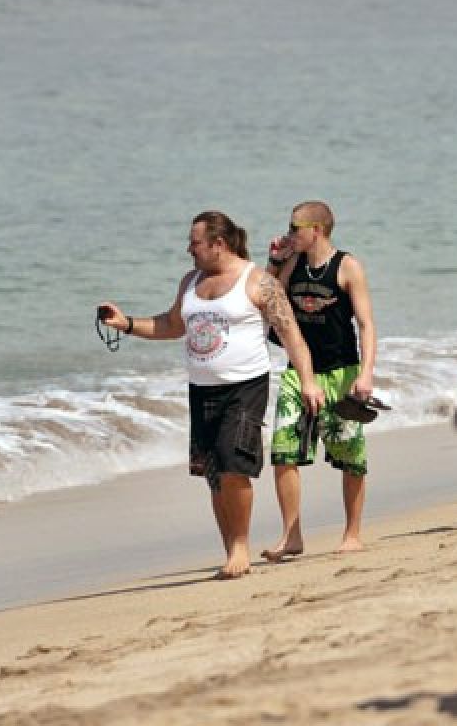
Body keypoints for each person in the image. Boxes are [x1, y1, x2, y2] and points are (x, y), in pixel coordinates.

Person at [98, 211, 324, 580]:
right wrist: (126, 324)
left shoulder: (259, 283)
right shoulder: (191, 281)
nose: (189, 250)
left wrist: (309, 383)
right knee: (215, 475)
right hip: (202, 391)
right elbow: (172, 325)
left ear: (219, 244)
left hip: (245, 386)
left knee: (233, 464)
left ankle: (240, 546)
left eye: (195, 243)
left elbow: (292, 337)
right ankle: (230, 548)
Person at [260, 201, 378, 560]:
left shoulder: (347, 267)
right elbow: (265, 298)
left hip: (341, 373)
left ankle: (352, 533)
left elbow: (366, 324)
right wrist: (276, 261)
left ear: (318, 229)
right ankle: (292, 535)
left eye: (296, 227)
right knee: (282, 452)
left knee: (350, 456)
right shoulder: (291, 264)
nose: (289, 232)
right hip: (298, 372)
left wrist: (366, 372)